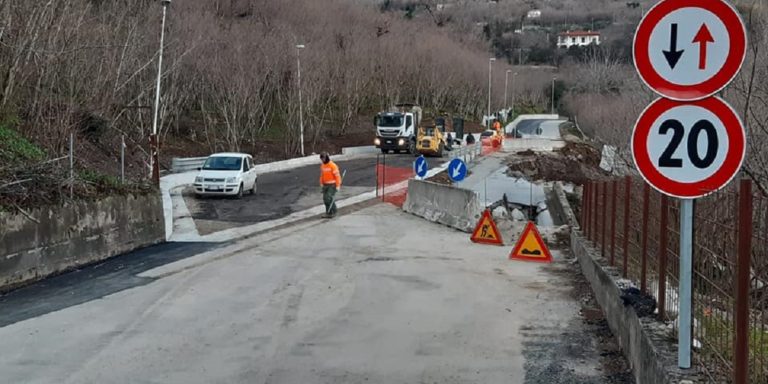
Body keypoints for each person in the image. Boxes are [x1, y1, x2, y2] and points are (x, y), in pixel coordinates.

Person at [319, 152, 342, 218]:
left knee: (328, 198)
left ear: (326, 158)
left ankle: (333, 211)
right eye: (321, 159)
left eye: (323, 158)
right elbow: (322, 175)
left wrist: (338, 185)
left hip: (332, 185)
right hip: (325, 185)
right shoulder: (323, 166)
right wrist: (321, 183)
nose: (322, 160)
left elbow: (337, 176)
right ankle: (328, 212)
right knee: (325, 199)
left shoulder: (332, 165)